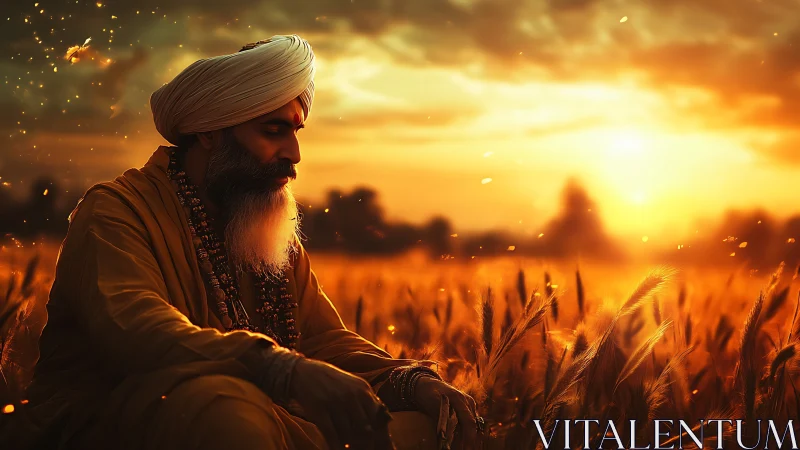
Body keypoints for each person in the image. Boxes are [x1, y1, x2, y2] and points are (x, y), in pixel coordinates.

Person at [1, 35, 485, 450]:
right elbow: (138, 332)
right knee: (222, 409)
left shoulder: (260, 223)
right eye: (272, 131)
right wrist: (282, 371)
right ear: (210, 133)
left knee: (424, 427)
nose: (293, 154)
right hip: (125, 423)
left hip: (271, 415)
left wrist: (411, 381)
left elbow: (321, 341)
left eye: (295, 131)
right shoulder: (116, 211)